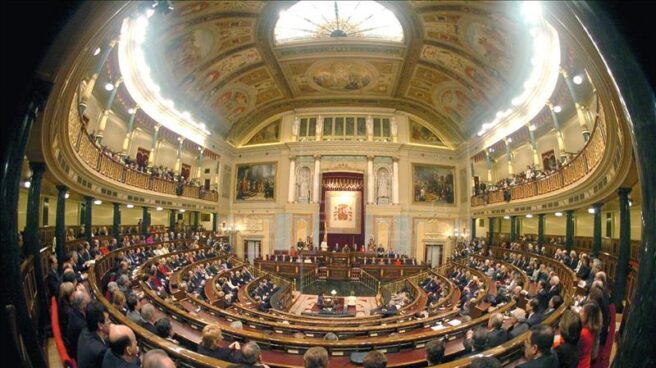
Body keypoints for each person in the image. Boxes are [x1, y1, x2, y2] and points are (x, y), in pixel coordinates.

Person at [77, 301, 110, 368]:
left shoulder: (84, 331)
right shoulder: (101, 351)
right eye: (107, 320)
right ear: (100, 325)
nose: (110, 322)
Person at [67, 290, 90, 359]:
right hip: (79, 354)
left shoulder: (73, 311)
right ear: (83, 305)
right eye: (86, 303)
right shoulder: (81, 325)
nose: (88, 304)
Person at [578, 302, 602, 368]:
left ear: (587, 316)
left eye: (582, 311)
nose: (579, 312)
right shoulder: (592, 329)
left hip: (580, 364)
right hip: (586, 362)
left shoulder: (583, 333)